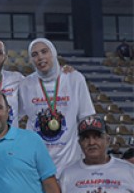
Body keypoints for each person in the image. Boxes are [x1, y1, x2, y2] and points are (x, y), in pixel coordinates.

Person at [19, 38, 95, 174]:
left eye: (44, 51)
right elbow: (13, 117)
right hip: (37, 163)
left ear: (53, 53)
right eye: (34, 54)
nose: (40, 57)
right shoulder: (25, 84)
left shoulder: (74, 79)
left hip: (70, 162)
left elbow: (87, 117)